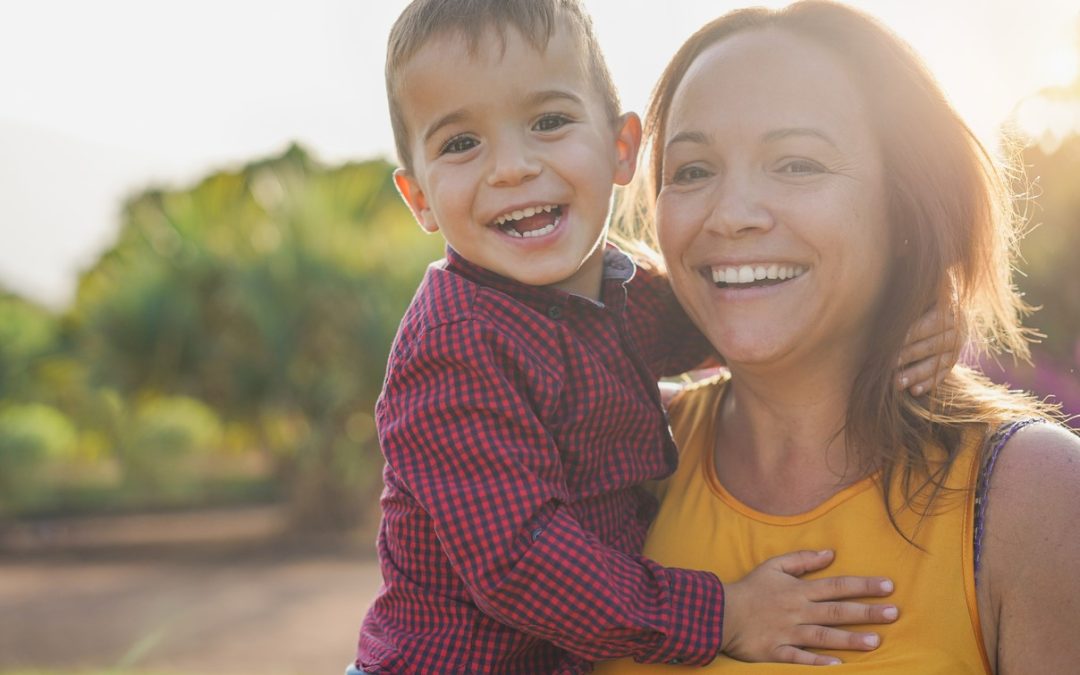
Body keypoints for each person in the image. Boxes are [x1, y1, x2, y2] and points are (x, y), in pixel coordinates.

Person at [350, 1, 957, 672]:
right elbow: (520, 560)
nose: (512, 167)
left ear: (622, 149)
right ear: (419, 199)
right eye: (461, 143)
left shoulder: (622, 293)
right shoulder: (455, 345)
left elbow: (750, 304)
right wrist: (722, 611)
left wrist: (912, 307)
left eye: (549, 122)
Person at [596, 1, 1080, 673]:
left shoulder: (1033, 496)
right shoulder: (622, 458)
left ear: (903, 206)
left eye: (796, 164)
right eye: (693, 170)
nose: (731, 214)